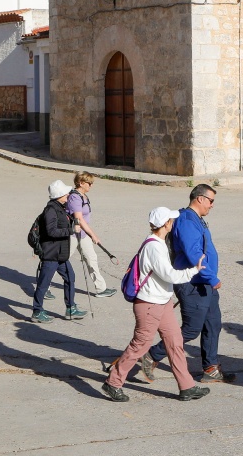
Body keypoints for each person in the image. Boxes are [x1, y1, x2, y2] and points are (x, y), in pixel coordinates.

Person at [101, 207, 210, 403]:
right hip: (150, 304)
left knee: (175, 343)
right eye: (171, 220)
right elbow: (169, 275)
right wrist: (193, 270)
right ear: (166, 223)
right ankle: (113, 382)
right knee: (140, 345)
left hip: (162, 302)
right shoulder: (154, 247)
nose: (173, 223)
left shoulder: (158, 243)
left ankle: (187, 387)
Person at [146, 184, 232, 383]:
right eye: (211, 201)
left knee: (213, 324)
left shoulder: (196, 219)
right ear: (200, 198)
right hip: (192, 282)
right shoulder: (186, 221)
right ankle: (151, 355)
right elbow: (194, 253)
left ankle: (210, 368)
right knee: (192, 328)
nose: (212, 205)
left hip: (204, 282)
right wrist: (212, 277)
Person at [31, 180, 88, 324]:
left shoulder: (61, 208)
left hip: (61, 254)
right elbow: (51, 231)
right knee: (44, 283)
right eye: (66, 193)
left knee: (70, 277)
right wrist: (71, 230)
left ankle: (70, 308)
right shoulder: (50, 210)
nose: (68, 195)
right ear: (60, 195)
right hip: (51, 254)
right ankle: (37, 311)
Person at [67, 172, 114, 298]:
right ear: (81, 183)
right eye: (89, 183)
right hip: (72, 235)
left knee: (91, 258)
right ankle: (44, 286)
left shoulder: (83, 196)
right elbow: (79, 219)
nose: (91, 185)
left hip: (83, 234)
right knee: (60, 261)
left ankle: (101, 289)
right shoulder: (75, 197)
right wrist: (93, 235)